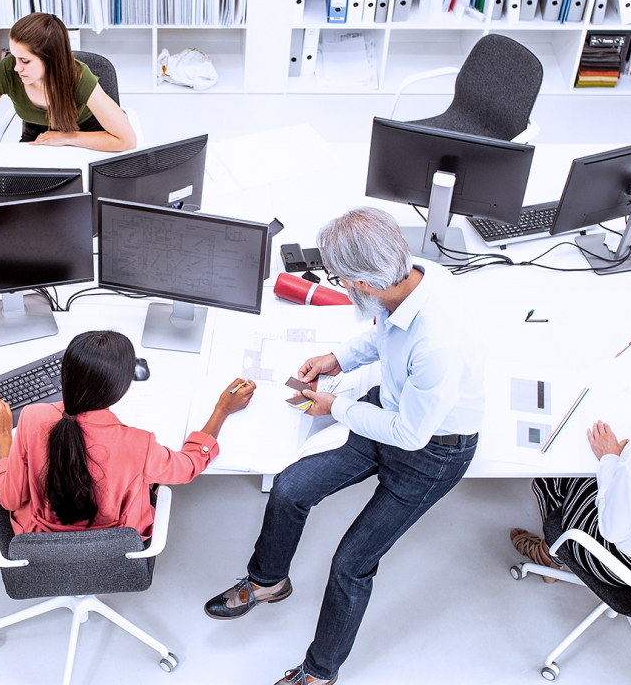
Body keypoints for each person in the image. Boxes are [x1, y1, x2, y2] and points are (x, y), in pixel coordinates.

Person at [204, 207, 485, 685]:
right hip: (387, 411)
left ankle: (319, 673)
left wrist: (333, 407)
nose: (340, 286)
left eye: (341, 280)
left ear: (364, 283)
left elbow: (410, 435)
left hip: (431, 452)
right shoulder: (414, 275)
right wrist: (339, 358)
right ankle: (269, 582)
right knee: (291, 488)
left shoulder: (438, 342)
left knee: (351, 564)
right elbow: (383, 334)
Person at [0, 330, 254, 539]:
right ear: (122, 390)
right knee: (145, 480)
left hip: (41, 544)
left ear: (65, 377)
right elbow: (190, 465)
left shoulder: (32, 418)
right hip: (114, 547)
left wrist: (4, 438)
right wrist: (221, 410)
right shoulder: (139, 444)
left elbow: (10, 500)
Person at [511, 323, 631, 587]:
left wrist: (610, 458)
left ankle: (550, 557)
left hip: (628, 566)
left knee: (551, 479)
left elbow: (612, 530)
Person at [0, 13, 136, 178]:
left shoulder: (79, 78)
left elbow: (126, 140)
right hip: (37, 136)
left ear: (51, 59)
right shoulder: (7, 71)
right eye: (13, 56)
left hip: (86, 134)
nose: (16, 68)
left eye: (25, 61)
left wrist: (66, 138)